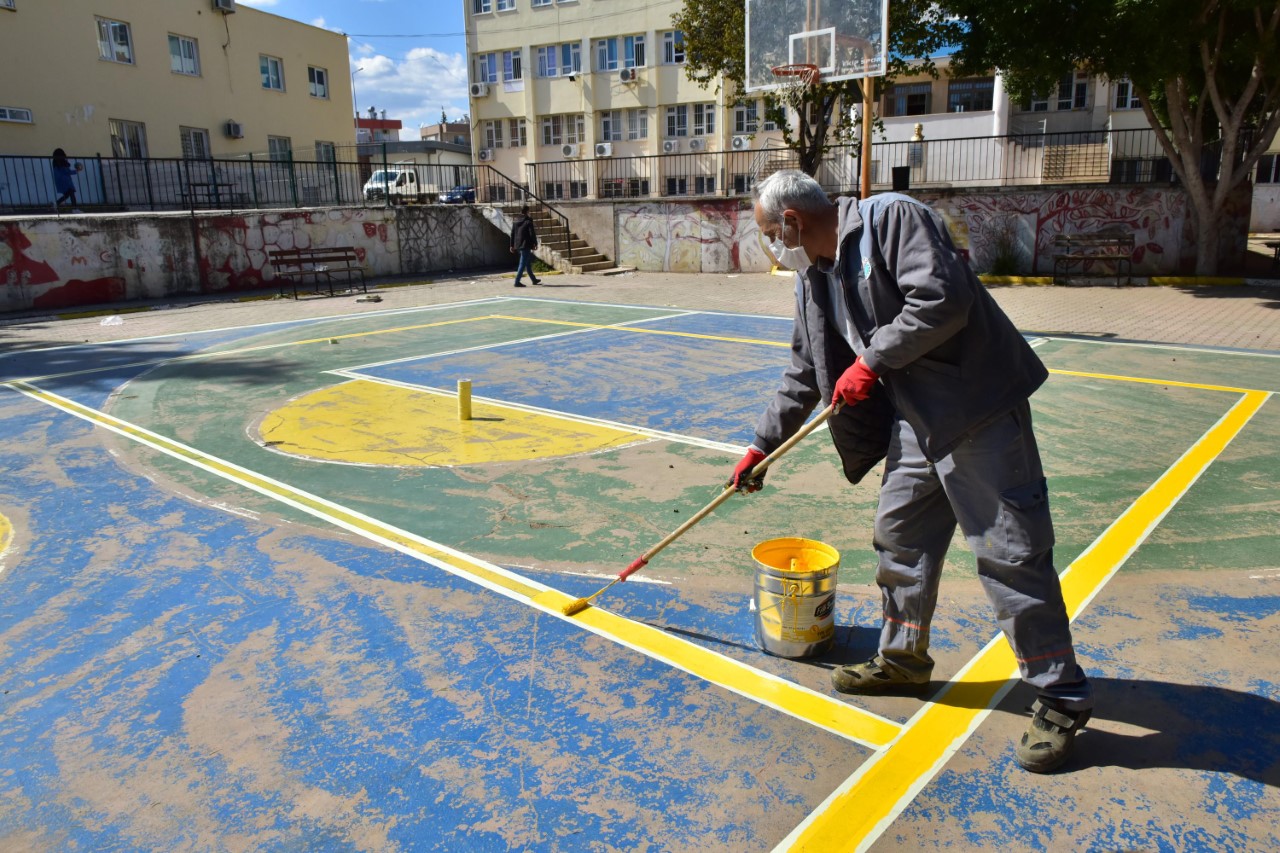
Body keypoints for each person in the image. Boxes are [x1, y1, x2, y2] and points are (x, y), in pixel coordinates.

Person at [731, 170, 1093, 773]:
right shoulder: (812, 279)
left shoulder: (892, 219)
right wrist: (758, 448)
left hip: (976, 411)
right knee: (899, 537)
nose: (773, 245)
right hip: (915, 424)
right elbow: (804, 372)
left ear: (792, 221)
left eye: (772, 233)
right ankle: (902, 657)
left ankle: (1061, 692)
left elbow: (944, 300)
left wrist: (872, 360)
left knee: (1011, 552)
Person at [510, 206, 541, 287]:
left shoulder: (516, 221)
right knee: (522, 263)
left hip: (518, 244)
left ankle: (533, 279)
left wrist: (512, 245)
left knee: (527, 263)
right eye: (529, 211)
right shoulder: (528, 221)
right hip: (526, 244)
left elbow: (512, 233)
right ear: (527, 211)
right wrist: (535, 243)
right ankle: (517, 281)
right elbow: (532, 233)